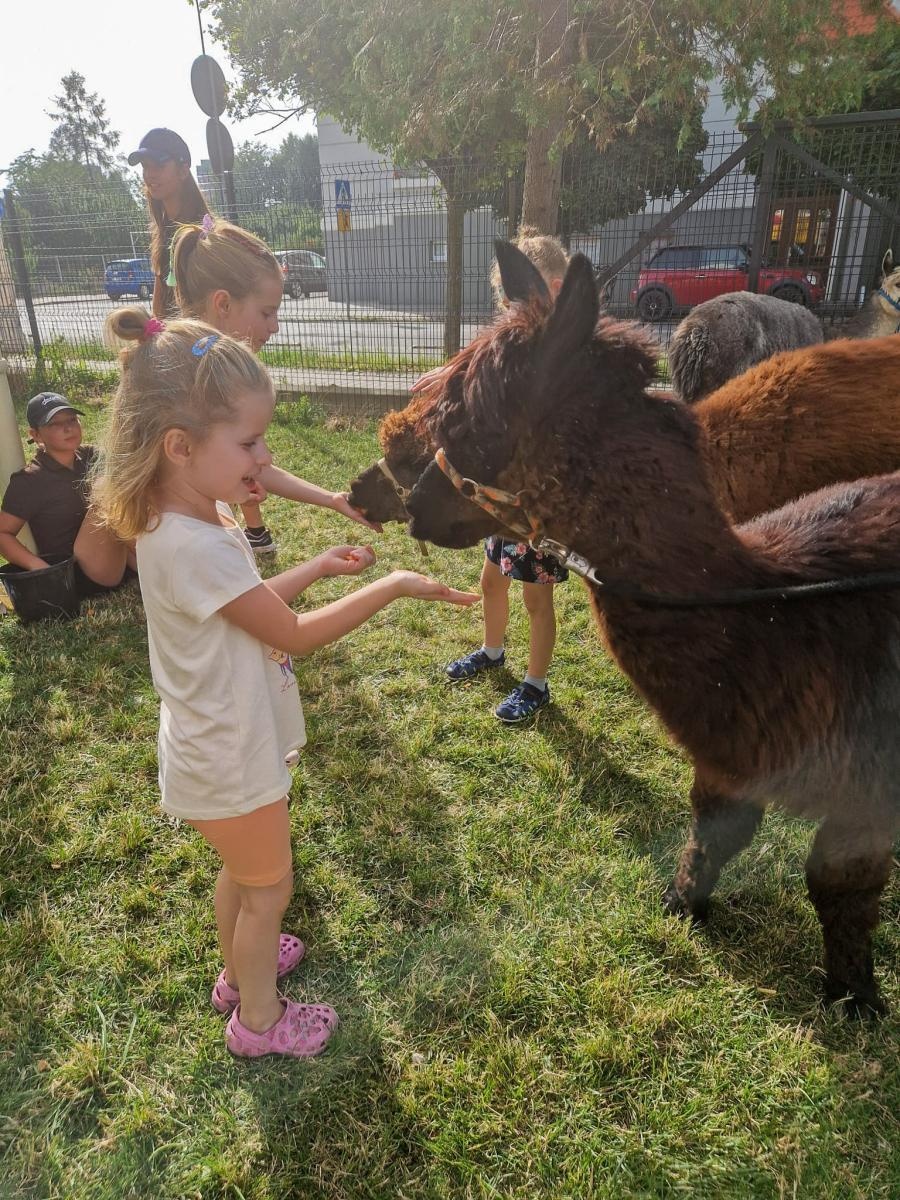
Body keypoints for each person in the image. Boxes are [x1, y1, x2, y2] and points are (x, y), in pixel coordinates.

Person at [93, 308, 477, 1060]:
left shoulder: (187, 522)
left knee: (245, 876)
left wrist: (314, 568)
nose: (263, 459)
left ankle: (240, 973)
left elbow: (250, 607)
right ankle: (260, 1021)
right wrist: (393, 585)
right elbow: (291, 633)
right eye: (248, 443)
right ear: (179, 446)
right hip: (230, 755)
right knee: (268, 890)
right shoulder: (196, 543)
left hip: (214, 745)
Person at [171, 216, 376, 555]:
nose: (275, 327)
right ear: (223, 304)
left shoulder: (208, 369)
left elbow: (252, 465)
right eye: (267, 313)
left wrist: (332, 500)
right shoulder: (191, 383)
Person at [440, 230, 570, 723]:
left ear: (556, 288)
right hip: (501, 498)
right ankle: (492, 651)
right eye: (508, 298)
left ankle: (536, 685)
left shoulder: (565, 350)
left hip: (534, 503)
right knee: (491, 579)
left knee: (537, 596)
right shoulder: (515, 345)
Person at [0, 392, 133, 595]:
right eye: (54, 424)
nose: (68, 428)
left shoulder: (91, 456)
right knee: (106, 490)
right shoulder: (30, 480)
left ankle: (161, 565)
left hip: (118, 560)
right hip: (78, 573)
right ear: (35, 435)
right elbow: (3, 533)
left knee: (135, 481)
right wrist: (41, 568)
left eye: (72, 419)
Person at [127, 128, 210, 319]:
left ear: (183, 170)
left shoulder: (200, 232)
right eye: (146, 166)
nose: (150, 174)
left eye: (158, 166)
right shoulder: (163, 230)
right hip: (174, 340)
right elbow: (159, 308)